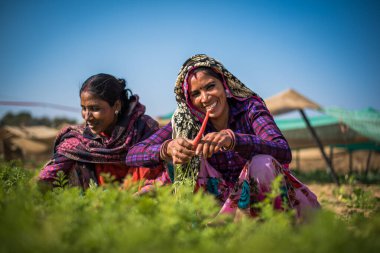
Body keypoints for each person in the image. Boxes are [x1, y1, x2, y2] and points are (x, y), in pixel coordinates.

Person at [126, 54, 320, 218]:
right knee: (185, 161)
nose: (205, 98)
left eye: (210, 86)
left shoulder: (250, 108)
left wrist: (235, 139)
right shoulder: (186, 121)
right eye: (196, 94)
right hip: (216, 205)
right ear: (189, 100)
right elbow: (133, 154)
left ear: (224, 85)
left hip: (260, 201)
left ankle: (267, 231)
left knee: (263, 163)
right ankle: (202, 226)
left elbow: (282, 150)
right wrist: (166, 148)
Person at [39, 73, 170, 192]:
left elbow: (164, 172)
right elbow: (48, 176)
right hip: (96, 206)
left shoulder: (143, 129)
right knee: (76, 162)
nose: (87, 116)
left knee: (150, 157)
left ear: (117, 106)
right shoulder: (79, 141)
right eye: (84, 108)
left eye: (95, 108)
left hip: (141, 203)